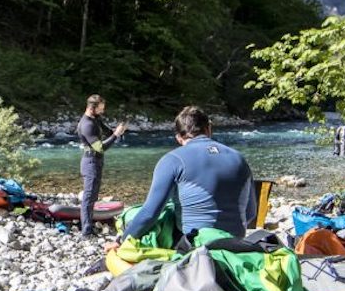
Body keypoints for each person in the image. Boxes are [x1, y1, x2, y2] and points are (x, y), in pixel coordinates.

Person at [110, 105, 256, 247]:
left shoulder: (172, 160)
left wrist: (121, 241)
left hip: (194, 244)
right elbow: (250, 213)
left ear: (179, 138)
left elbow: (149, 213)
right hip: (236, 241)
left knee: (147, 214)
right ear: (209, 129)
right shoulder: (239, 158)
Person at [76, 94, 127, 236]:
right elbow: (99, 147)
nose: (103, 111)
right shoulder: (86, 124)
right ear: (92, 108)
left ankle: (89, 225)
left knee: (93, 196)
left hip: (96, 162)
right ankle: (86, 231)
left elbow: (108, 132)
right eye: (101, 108)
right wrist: (115, 135)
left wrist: (118, 131)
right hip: (90, 162)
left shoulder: (96, 119)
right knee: (88, 197)